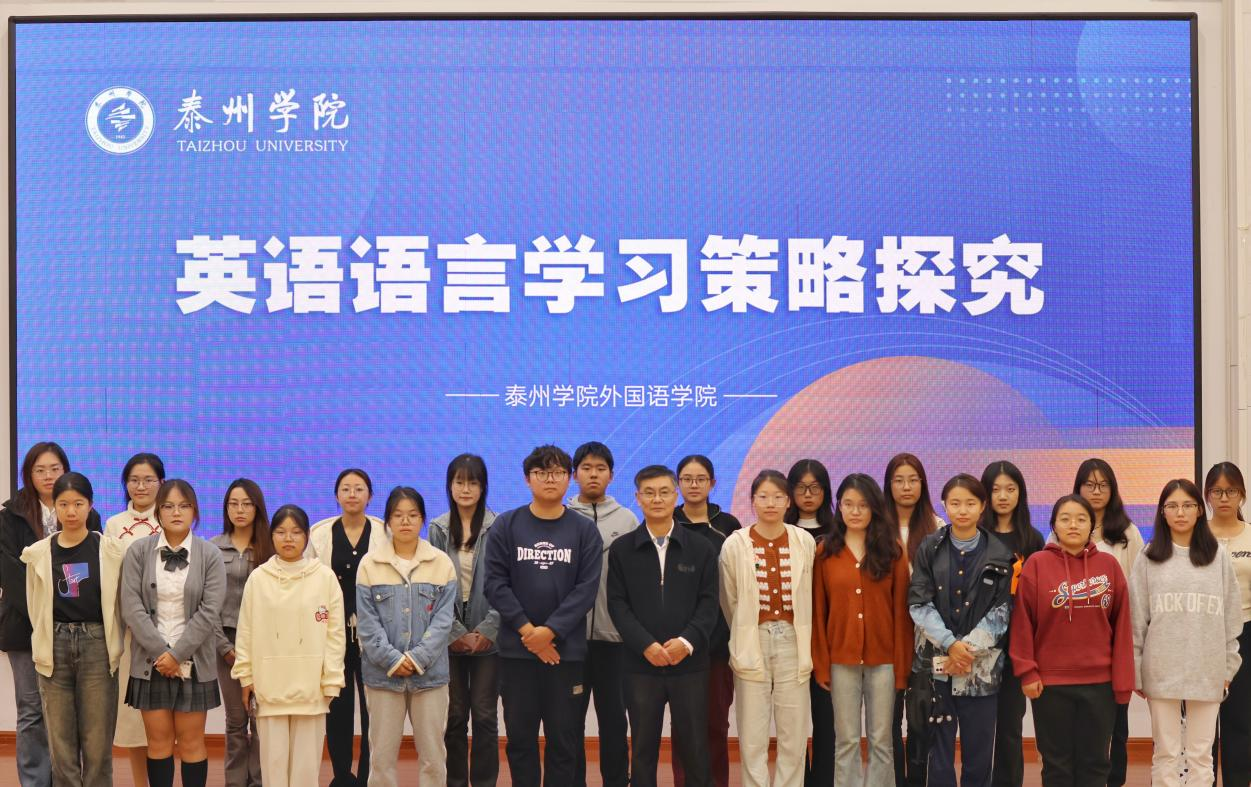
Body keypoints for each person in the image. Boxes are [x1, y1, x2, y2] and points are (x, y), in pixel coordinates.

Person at [484, 444, 603, 787]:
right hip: (516, 653)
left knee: (564, 741)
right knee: (520, 740)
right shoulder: (507, 525)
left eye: (558, 473)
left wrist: (549, 633)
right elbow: (495, 584)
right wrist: (529, 633)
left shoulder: (584, 530)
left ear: (569, 478)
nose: (550, 479)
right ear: (527, 479)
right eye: (541, 473)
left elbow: (586, 590)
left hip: (565, 654)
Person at [1009, 494, 1134, 787]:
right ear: (1054, 525)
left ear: (1092, 525)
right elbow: (1022, 623)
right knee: (1057, 767)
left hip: (1100, 685)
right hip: (1050, 685)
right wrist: (1027, 671)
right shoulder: (1037, 564)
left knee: (1096, 764)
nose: (1073, 525)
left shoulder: (1109, 566)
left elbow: (1122, 627)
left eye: (1081, 519)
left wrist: (1123, 681)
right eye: (1065, 519)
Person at [607, 464, 719, 787]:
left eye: (664, 492)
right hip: (640, 665)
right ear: (637, 498)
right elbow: (617, 605)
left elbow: (709, 603)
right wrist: (645, 645)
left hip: (690, 665)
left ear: (675, 495)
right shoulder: (622, 549)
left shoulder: (701, 548)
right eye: (649, 493)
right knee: (643, 749)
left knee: (695, 748)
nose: (657, 499)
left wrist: (686, 642)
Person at [1131, 479, 1242, 787]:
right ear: (1162, 512)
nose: (1180, 513)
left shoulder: (1217, 555)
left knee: (1201, 756)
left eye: (1188, 505)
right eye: (1172, 506)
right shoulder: (1148, 556)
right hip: (1161, 670)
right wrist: (1137, 670)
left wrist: (1228, 668)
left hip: (1207, 669)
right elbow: (1136, 619)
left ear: (1199, 510)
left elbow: (1231, 617)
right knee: (1165, 754)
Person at [0, 441, 98, 787]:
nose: (48, 476)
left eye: (55, 469)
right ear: (28, 474)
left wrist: (63, 614)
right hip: (24, 626)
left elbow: (87, 573)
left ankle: (64, 780)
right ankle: (34, 782)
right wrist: (42, 612)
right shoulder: (10, 515)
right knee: (31, 710)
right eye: (39, 470)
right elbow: (10, 573)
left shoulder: (86, 514)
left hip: (73, 629)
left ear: (65, 470)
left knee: (68, 712)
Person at [21, 472, 126, 787]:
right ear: (54, 506)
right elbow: (34, 605)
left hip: (96, 645)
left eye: (78, 504)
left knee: (97, 745)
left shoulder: (109, 549)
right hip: (55, 647)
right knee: (61, 746)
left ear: (90, 505)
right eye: (63, 504)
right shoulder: (39, 553)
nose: (71, 511)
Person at [908, 474, 1013, 787]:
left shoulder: (1000, 553)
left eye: (970, 503)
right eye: (955, 503)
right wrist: (950, 644)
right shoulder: (929, 547)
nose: (962, 510)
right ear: (944, 505)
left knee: (979, 756)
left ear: (982, 506)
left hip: (980, 669)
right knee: (937, 755)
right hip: (936, 668)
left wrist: (966, 651)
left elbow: (1001, 612)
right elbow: (918, 603)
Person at [120, 479, 226, 787]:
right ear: (158, 512)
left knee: (192, 743)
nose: (176, 512)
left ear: (195, 511)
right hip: (151, 662)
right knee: (158, 743)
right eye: (168, 506)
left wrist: (177, 655)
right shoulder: (139, 551)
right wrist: (161, 653)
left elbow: (210, 611)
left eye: (184, 506)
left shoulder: (210, 554)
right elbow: (131, 607)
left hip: (194, 662)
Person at [233, 504, 346, 787]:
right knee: (274, 770)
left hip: (312, 689)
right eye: (281, 532)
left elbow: (335, 635)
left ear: (307, 536)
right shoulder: (259, 578)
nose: (288, 538)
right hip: (270, 687)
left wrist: (331, 680)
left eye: (296, 532)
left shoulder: (324, 577)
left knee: (306, 771)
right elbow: (245, 631)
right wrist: (246, 676)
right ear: (271, 536)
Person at [811, 473, 911, 787]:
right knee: (846, 741)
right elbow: (818, 613)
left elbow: (901, 614)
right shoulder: (824, 552)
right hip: (840, 661)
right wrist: (821, 664)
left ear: (874, 509)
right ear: (838, 507)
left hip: (884, 661)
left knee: (882, 741)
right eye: (848, 504)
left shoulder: (893, 551)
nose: (855, 511)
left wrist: (902, 667)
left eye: (863, 505)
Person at [356, 486, 458, 787]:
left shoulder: (441, 563)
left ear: (422, 519)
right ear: (388, 520)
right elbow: (367, 624)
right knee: (381, 758)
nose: (405, 521)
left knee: (433, 757)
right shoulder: (370, 564)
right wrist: (393, 660)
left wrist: (416, 658)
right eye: (398, 515)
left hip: (430, 676)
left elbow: (443, 621)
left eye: (412, 515)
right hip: (382, 676)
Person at [720, 469, 816, 787]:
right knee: (752, 734)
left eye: (777, 497)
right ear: (753, 501)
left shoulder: (803, 541)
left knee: (793, 733)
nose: (770, 503)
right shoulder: (736, 544)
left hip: (793, 640)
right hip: (753, 640)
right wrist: (746, 630)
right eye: (763, 497)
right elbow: (730, 600)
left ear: (788, 501)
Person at [309, 468, 388, 787]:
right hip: (333, 635)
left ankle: (369, 777)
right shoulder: (320, 533)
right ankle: (341, 777)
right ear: (336, 495)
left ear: (370, 495)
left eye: (359, 488)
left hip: (375, 634)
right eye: (345, 488)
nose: (352, 494)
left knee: (374, 710)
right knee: (337, 708)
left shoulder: (384, 532)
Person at [428, 454, 500, 787]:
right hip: (449, 633)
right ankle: (455, 781)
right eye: (459, 482)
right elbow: (433, 586)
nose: (466, 488)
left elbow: (507, 583)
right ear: (450, 486)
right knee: (455, 715)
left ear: (483, 487)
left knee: (484, 716)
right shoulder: (438, 528)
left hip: (489, 633)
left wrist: (489, 628)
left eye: (473, 482)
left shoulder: (498, 526)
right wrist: (454, 631)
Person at [568, 441, 637, 787]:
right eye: (586, 468)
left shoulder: (628, 519)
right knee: (569, 721)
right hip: (570, 640)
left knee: (614, 721)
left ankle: (617, 781)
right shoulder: (562, 517)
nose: (593, 474)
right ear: (574, 474)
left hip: (616, 640)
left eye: (600, 468)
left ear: (611, 475)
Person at [1072, 458, 1143, 787]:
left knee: (1117, 721)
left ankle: (1114, 780)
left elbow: (1138, 588)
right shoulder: (1066, 528)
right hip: (1075, 642)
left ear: (1113, 489)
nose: (1096, 491)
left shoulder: (1127, 533)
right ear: (1078, 488)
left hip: (1116, 640)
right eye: (1089, 484)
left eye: (1103, 485)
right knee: (1079, 722)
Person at [672, 454, 742, 787]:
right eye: (687, 478)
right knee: (683, 725)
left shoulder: (728, 526)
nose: (694, 484)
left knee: (716, 724)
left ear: (712, 483)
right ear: (678, 484)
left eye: (701, 479)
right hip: (676, 642)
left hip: (717, 643)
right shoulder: (666, 521)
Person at [979, 460, 1044, 787]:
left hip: (1016, 647)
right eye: (995, 489)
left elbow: (1038, 598)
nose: (1003, 496)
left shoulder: (1032, 539)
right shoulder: (974, 535)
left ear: (1020, 493)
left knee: (1009, 727)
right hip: (977, 646)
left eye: (1010, 489)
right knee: (978, 728)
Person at [106, 451, 167, 787]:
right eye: (134, 480)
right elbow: (111, 579)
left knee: (166, 718)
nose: (140, 486)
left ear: (161, 482)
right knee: (132, 720)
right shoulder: (114, 525)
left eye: (148, 480)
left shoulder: (172, 518)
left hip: (168, 634)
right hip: (129, 634)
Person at [883, 452, 942, 787]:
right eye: (899, 480)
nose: (906, 487)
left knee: (922, 721)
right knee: (887, 722)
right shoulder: (877, 528)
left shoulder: (938, 527)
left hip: (926, 640)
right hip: (887, 637)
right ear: (888, 485)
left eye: (913, 480)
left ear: (923, 484)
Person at [211, 479, 271, 787]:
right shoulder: (212, 548)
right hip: (225, 644)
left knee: (261, 719)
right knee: (236, 720)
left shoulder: (270, 548)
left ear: (257, 508)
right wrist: (224, 647)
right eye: (233, 504)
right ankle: (235, 782)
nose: (240, 510)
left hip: (264, 646)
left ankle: (258, 780)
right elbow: (206, 605)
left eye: (247, 503)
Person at [786, 459, 837, 787]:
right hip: (788, 636)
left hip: (828, 637)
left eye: (815, 487)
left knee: (827, 720)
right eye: (801, 487)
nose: (808, 494)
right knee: (791, 721)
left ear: (825, 491)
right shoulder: (779, 530)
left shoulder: (838, 533)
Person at [1205, 462, 1251, 787]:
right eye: (1217, 491)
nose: (1224, 497)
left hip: (1245, 632)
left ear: (1241, 495)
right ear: (1208, 495)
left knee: (1241, 718)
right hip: (1202, 634)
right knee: (1203, 720)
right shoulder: (1195, 535)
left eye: (1230, 490)